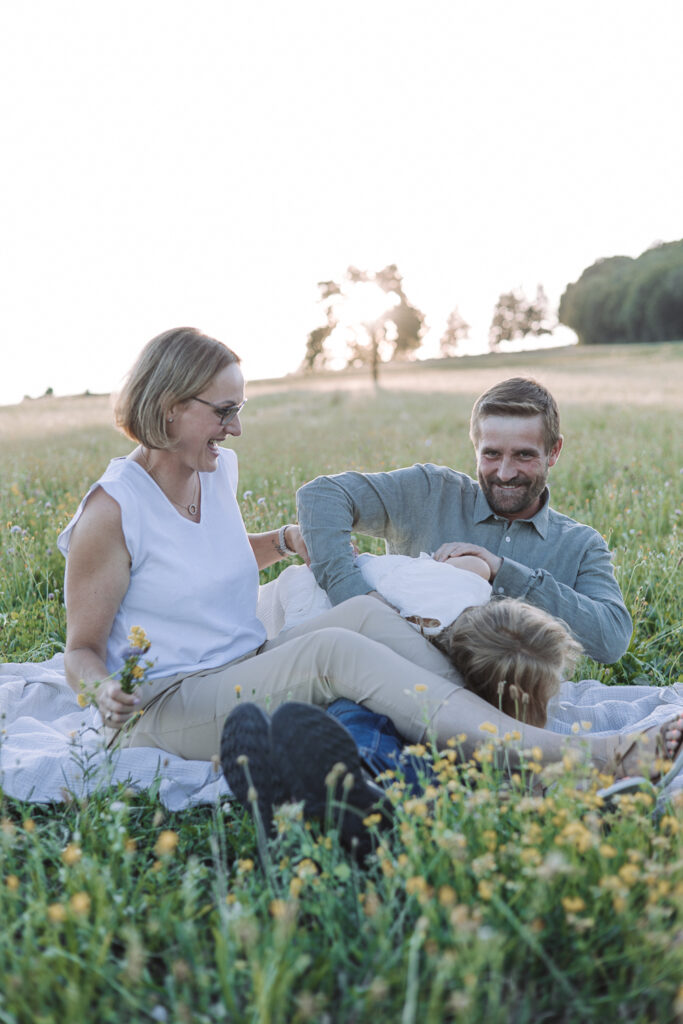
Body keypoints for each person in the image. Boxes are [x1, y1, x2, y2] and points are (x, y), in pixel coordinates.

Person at [58, 331, 681, 838]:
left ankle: (496, 746)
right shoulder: (112, 512)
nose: (236, 428)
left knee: (371, 620)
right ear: (171, 408)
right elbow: (81, 649)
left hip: (242, 662)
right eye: (225, 412)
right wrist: (103, 690)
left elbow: (197, 562)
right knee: (337, 649)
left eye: (238, 410)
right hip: (162, 704)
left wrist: (277, 543)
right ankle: (588, 761)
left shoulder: (214, 472)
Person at [296, 376, 632, 665]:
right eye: (491, 454)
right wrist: (362, 602)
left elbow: (612, 639)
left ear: (554, 451)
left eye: (524, 455)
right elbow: (322, 496)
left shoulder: (580, 545)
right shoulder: (430, 491)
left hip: (509, 707)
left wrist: (503, 571)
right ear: (476, 447)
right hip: (396, 683)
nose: (505, 472)